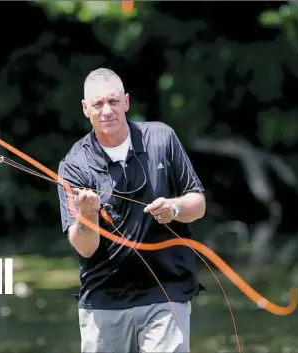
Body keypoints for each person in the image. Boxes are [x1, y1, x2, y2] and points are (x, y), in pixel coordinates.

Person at [57, 68, 207, 353]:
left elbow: (197, 204)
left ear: (126, 102)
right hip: (104, 298)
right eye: (98, 104)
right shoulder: (73, 165)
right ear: (85, 108)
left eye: (113, 101)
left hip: (166, 291)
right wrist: (88, 214)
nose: (107, 111)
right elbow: (85, 248)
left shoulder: (162, 138)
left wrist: (174, 207)